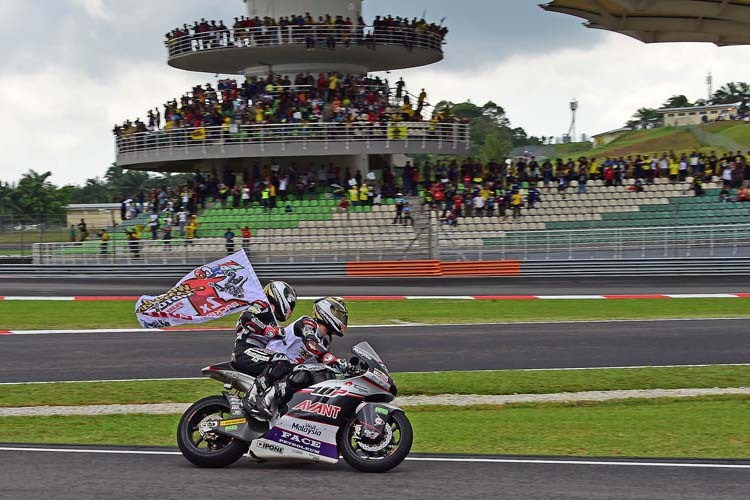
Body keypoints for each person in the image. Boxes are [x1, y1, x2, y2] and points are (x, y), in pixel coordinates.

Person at [249, 297, 350, 420]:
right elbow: (310, 343)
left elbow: (324, 365)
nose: (342, 319)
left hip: (288, 368)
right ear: (326, 312)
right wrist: (331, 358)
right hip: (272, 359)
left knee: (314, 377)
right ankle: (261, 400)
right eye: (338, 314)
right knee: (301, 372)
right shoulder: (307, 323)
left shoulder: (325, 340)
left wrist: (344, 371)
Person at [231, 282, 298, 411]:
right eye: (290, 303)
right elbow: (247, 317)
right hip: (245, 350)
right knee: (280, 360)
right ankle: (251, 398)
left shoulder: (271, 318)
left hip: (255, 352)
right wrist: (269, 330)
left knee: (286, 367)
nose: (290, 308)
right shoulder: (262, 305)